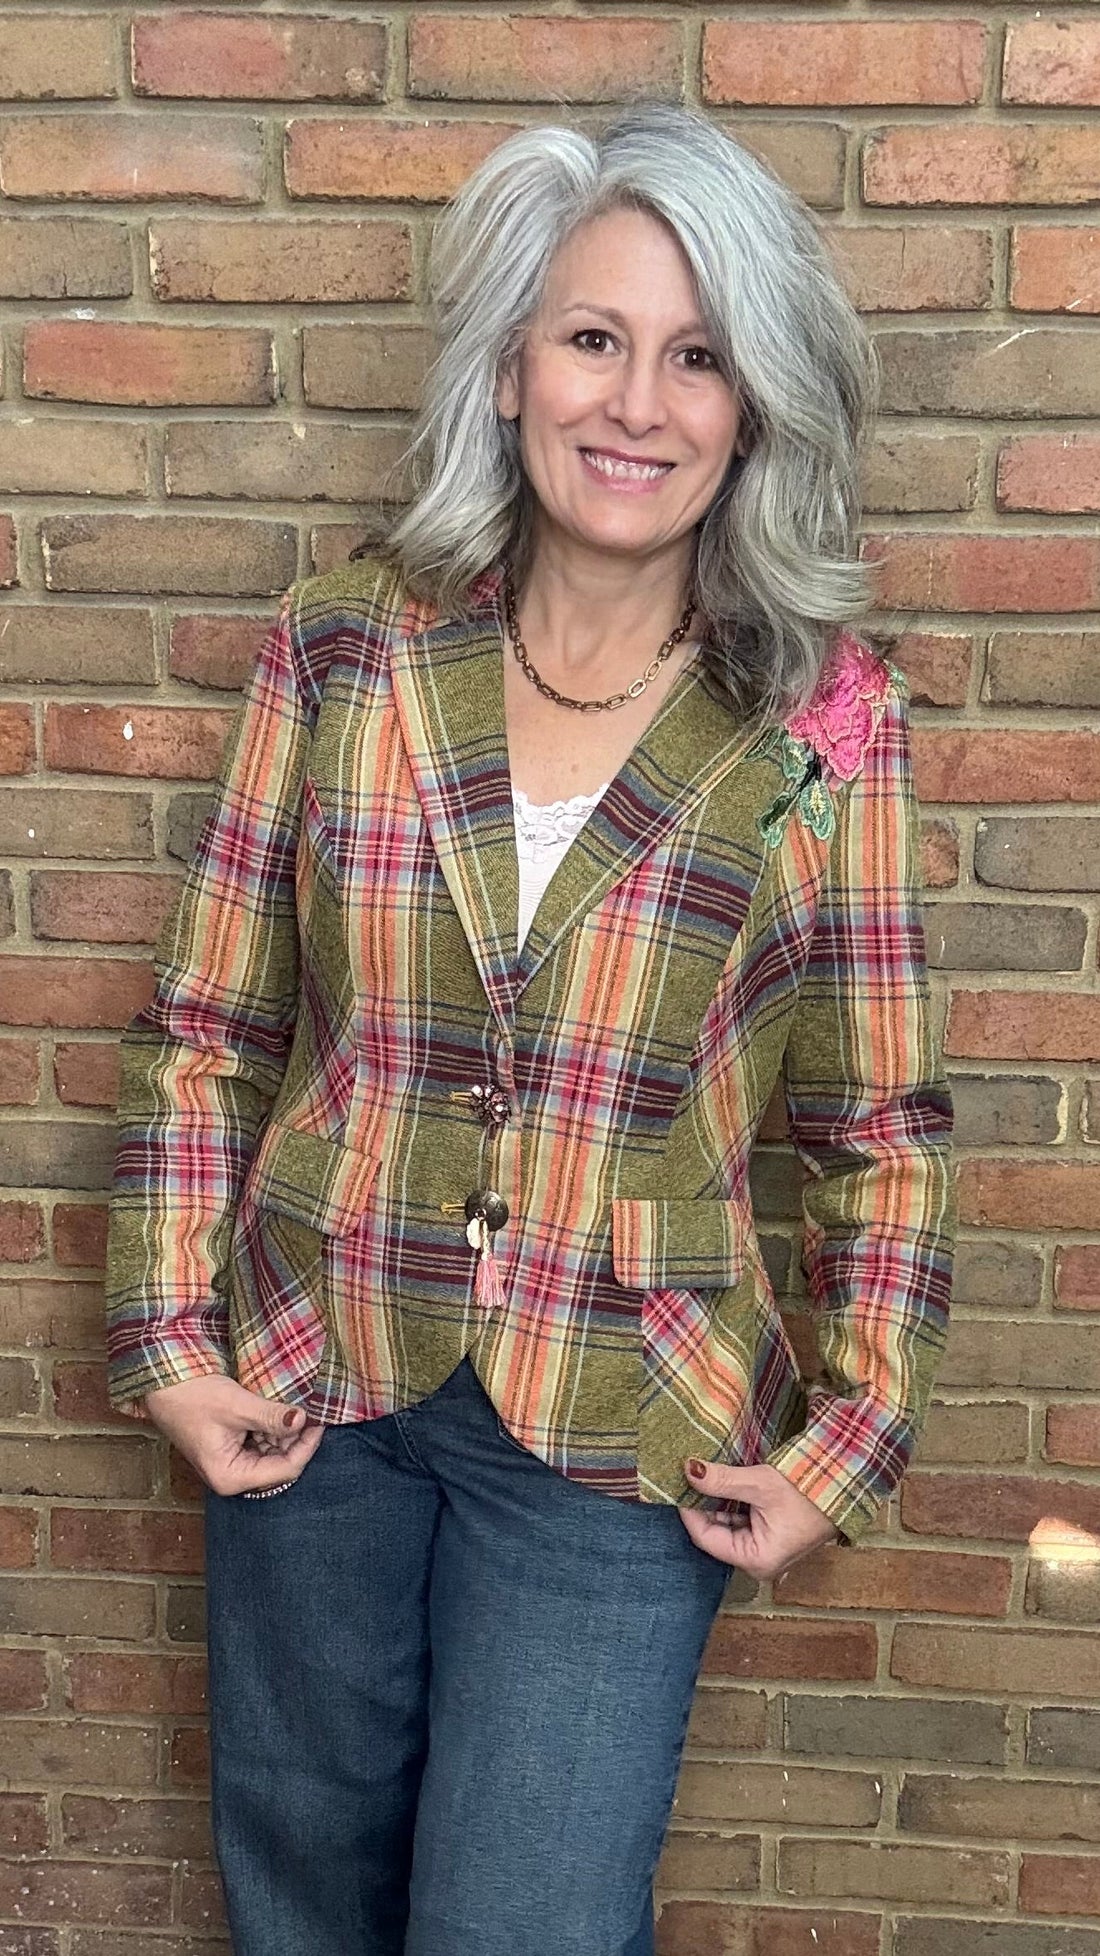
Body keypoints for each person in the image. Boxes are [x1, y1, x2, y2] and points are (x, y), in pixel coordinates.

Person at [105, 101, 954, 1956]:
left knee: (523, 1924)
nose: (638, 401)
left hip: (621, 1423)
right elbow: (208, 1022)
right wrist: (171, 1332)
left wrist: (850, 1436)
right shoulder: (347, 652)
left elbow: (879, 1129)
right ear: (507, 368)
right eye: (594, 338)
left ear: (753, 409)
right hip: (315, 1383)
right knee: (304, 1899)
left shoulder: (821, 728)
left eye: (699, 354)